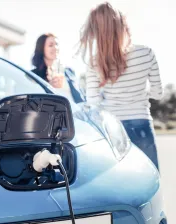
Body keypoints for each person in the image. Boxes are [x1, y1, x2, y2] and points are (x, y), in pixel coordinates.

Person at [78, 2, 163, 170]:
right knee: (151, 178)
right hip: (141, 122)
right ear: (122, 25)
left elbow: (93, 103)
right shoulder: (146, 53)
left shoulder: (94, 62)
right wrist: (141, 93)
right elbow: (158, 93)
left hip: (113, 128)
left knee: (122, 180)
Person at [31, 33, 85, 104]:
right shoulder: (33, 75)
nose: (55, 48)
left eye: (56, 44)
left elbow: (80, 96)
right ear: (41, 48)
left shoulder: (69, 71)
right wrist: (49, 86)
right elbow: (34, 100)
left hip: (75, 112)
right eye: (51, 45)